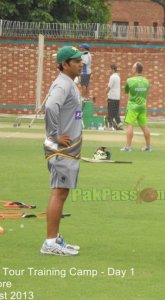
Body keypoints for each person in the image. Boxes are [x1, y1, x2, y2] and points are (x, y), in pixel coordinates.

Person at [41, 46, 85, 256]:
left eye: (81, 60)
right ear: (65, 64)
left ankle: (55, 238)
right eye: (76, 61)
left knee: (62, 191)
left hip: (69, 149)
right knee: (58, 192)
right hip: (62, 149)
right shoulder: (62, 84)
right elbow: (50, 107)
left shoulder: (69, 83)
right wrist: (54, 135)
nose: (81, 63)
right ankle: (50, 243)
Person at [120, 62, 152, 152]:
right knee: (144, 126)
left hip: (132, 107)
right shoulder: (146, 81)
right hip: (142, 106)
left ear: (135, 69)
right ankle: (148, 146)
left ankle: (128, 147)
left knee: (130, 125)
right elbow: (146, 91)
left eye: (132, 68)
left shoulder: (130, 80)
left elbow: (126, 91)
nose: (131, 69)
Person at [105, 64, 122, 130]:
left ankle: (111, 125)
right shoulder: (118, 77)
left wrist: (105, 94)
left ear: (113, 69)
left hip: (112, 97)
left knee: (110, 112)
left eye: (110, 69)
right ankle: (119, 123)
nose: (109, 71)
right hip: (117, 97)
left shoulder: (112, 77)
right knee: (115, 111)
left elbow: (109, 87)